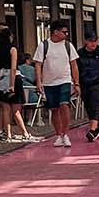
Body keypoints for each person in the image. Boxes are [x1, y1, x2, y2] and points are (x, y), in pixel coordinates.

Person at [33, 20, 79, 148]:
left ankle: (66, 134)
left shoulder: (68, 46)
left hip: (64, 80)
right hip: (49, 83)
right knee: (54, 109)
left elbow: (74, 65)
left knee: (64, 105)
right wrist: (39, 82)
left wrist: (76, 83)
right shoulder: (43, 46)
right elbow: (38, 64)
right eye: (64, 32)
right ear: (55, 32)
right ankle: (58, 135)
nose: (66, 34)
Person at [0, 24, 36, 143]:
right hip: (13, 79)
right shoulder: (13, 49)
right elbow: (13, 69)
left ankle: (8, 135)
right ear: (9, 37)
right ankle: (25, 133)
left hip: (1, 78)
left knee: (5, 108)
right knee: (16, 109)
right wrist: (12, 85)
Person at [76, 30, 99, 142]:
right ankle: (96, 128)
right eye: (90, 41)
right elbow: (76, 69)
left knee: (95, 103)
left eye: (95, 41)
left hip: (98, 83)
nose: (93, 44)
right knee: (88, 106)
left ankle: (92, 129)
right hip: (85, 83)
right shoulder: (79, 53)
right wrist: (76, 83)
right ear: (85, 41)